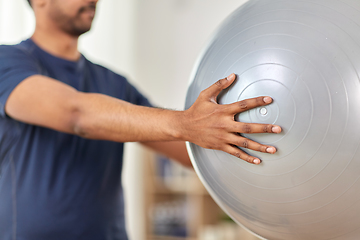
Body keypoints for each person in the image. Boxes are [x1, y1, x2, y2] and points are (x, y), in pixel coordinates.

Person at [0, 0, 282, 239]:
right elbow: (76, 114)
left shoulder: (113, 83)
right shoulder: (8, 62)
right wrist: (187, 123)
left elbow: (186, 151)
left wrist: (260, 148)